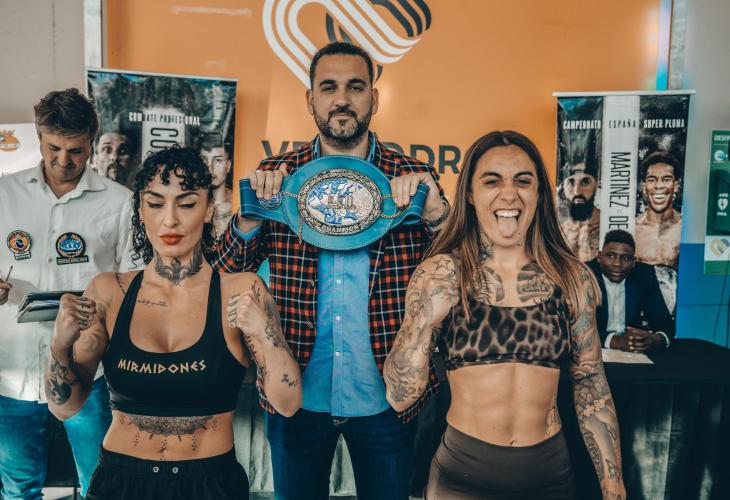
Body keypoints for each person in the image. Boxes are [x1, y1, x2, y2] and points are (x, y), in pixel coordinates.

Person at [210, 42, 449, 500]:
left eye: (355, 87)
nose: (342, 99)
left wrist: (436, 214)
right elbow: (224, 276)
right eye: (329, 87)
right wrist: (250, 216)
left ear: (373, 99)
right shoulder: (276, 175)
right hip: (296, 394)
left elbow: (458, 268)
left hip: (388, 397)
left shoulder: (414, 176)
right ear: (310, 99)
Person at [44, 146, 301, 499]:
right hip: (121, 481)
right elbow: (65, 407)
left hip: (210, 484)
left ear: (209, 210)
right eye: (155, 204)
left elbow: (288, 403)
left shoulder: (242, 289)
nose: (170, 220)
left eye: (187, 204)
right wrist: (59, 346)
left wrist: (265, 334)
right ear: (140, 210)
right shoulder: (109, 291)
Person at [385, 130, 626, 499]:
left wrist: (612, 482)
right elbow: (400, 396)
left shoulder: (571, 277)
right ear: (470, 193)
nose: (509, 193)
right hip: (460, 480)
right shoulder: (440, 273)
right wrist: (424, 322)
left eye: (523, 181)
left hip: (550, 478)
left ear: (539, 194)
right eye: (492, 180)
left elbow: (591, 382)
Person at [0, 88, 134, 499]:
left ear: (91, 141)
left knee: (99, 484)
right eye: (53, 148)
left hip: (87, 370)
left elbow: (133, 283)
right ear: (39, 136)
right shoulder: (4, 193)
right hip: (11, 370)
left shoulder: (119, 202)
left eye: (75, 150)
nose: (63, 160)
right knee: (17, 488)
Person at [587, 229, 674, 353]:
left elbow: (663, 321)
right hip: (592, 350)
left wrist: (657, 339)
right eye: (610, 256)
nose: (617, 263)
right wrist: (614, 340)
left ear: (633, 262)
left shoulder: (644, 275)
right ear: (599, 257)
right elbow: (574, 328)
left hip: (632, 351)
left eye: (626, 258)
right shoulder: (584, 274)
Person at [634, 152, 683, 268]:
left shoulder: (686, 228)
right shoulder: (633, 229)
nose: (659, 186)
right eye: (652, 179)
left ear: (676, 185)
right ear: (644, 187)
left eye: (666, 179)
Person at [558, 133, 601, 262]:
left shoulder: (607, 224)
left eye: (585, 182)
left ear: (597, 184)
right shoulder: (558, 230)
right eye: (571, 182)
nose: (577, 191)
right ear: (563, 186)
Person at [199, 133, 234, 236]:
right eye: (203, 159)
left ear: (228, 165)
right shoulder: (190, 204)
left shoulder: (239, 203)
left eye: (218, 160)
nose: (210, 167)